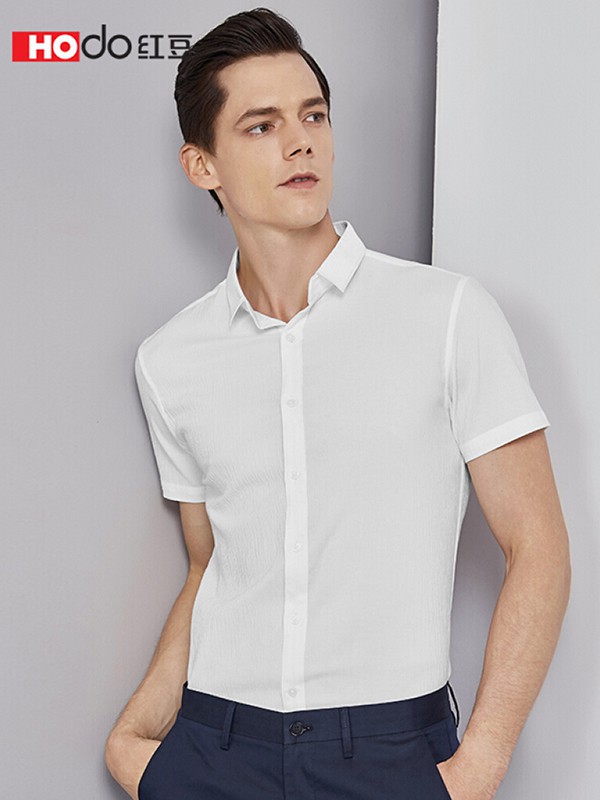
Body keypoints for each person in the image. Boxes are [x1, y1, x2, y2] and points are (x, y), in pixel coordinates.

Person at [104, 7, 571, 800]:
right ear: (202, 164)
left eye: (313, 115)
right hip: (219, 745)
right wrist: (132, 743)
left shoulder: (448, 314)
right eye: (262, 125)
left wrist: (478, 768)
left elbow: (539, 547)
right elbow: (208, 564)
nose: (301, 143)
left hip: (391, 752)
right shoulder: (171, 359)